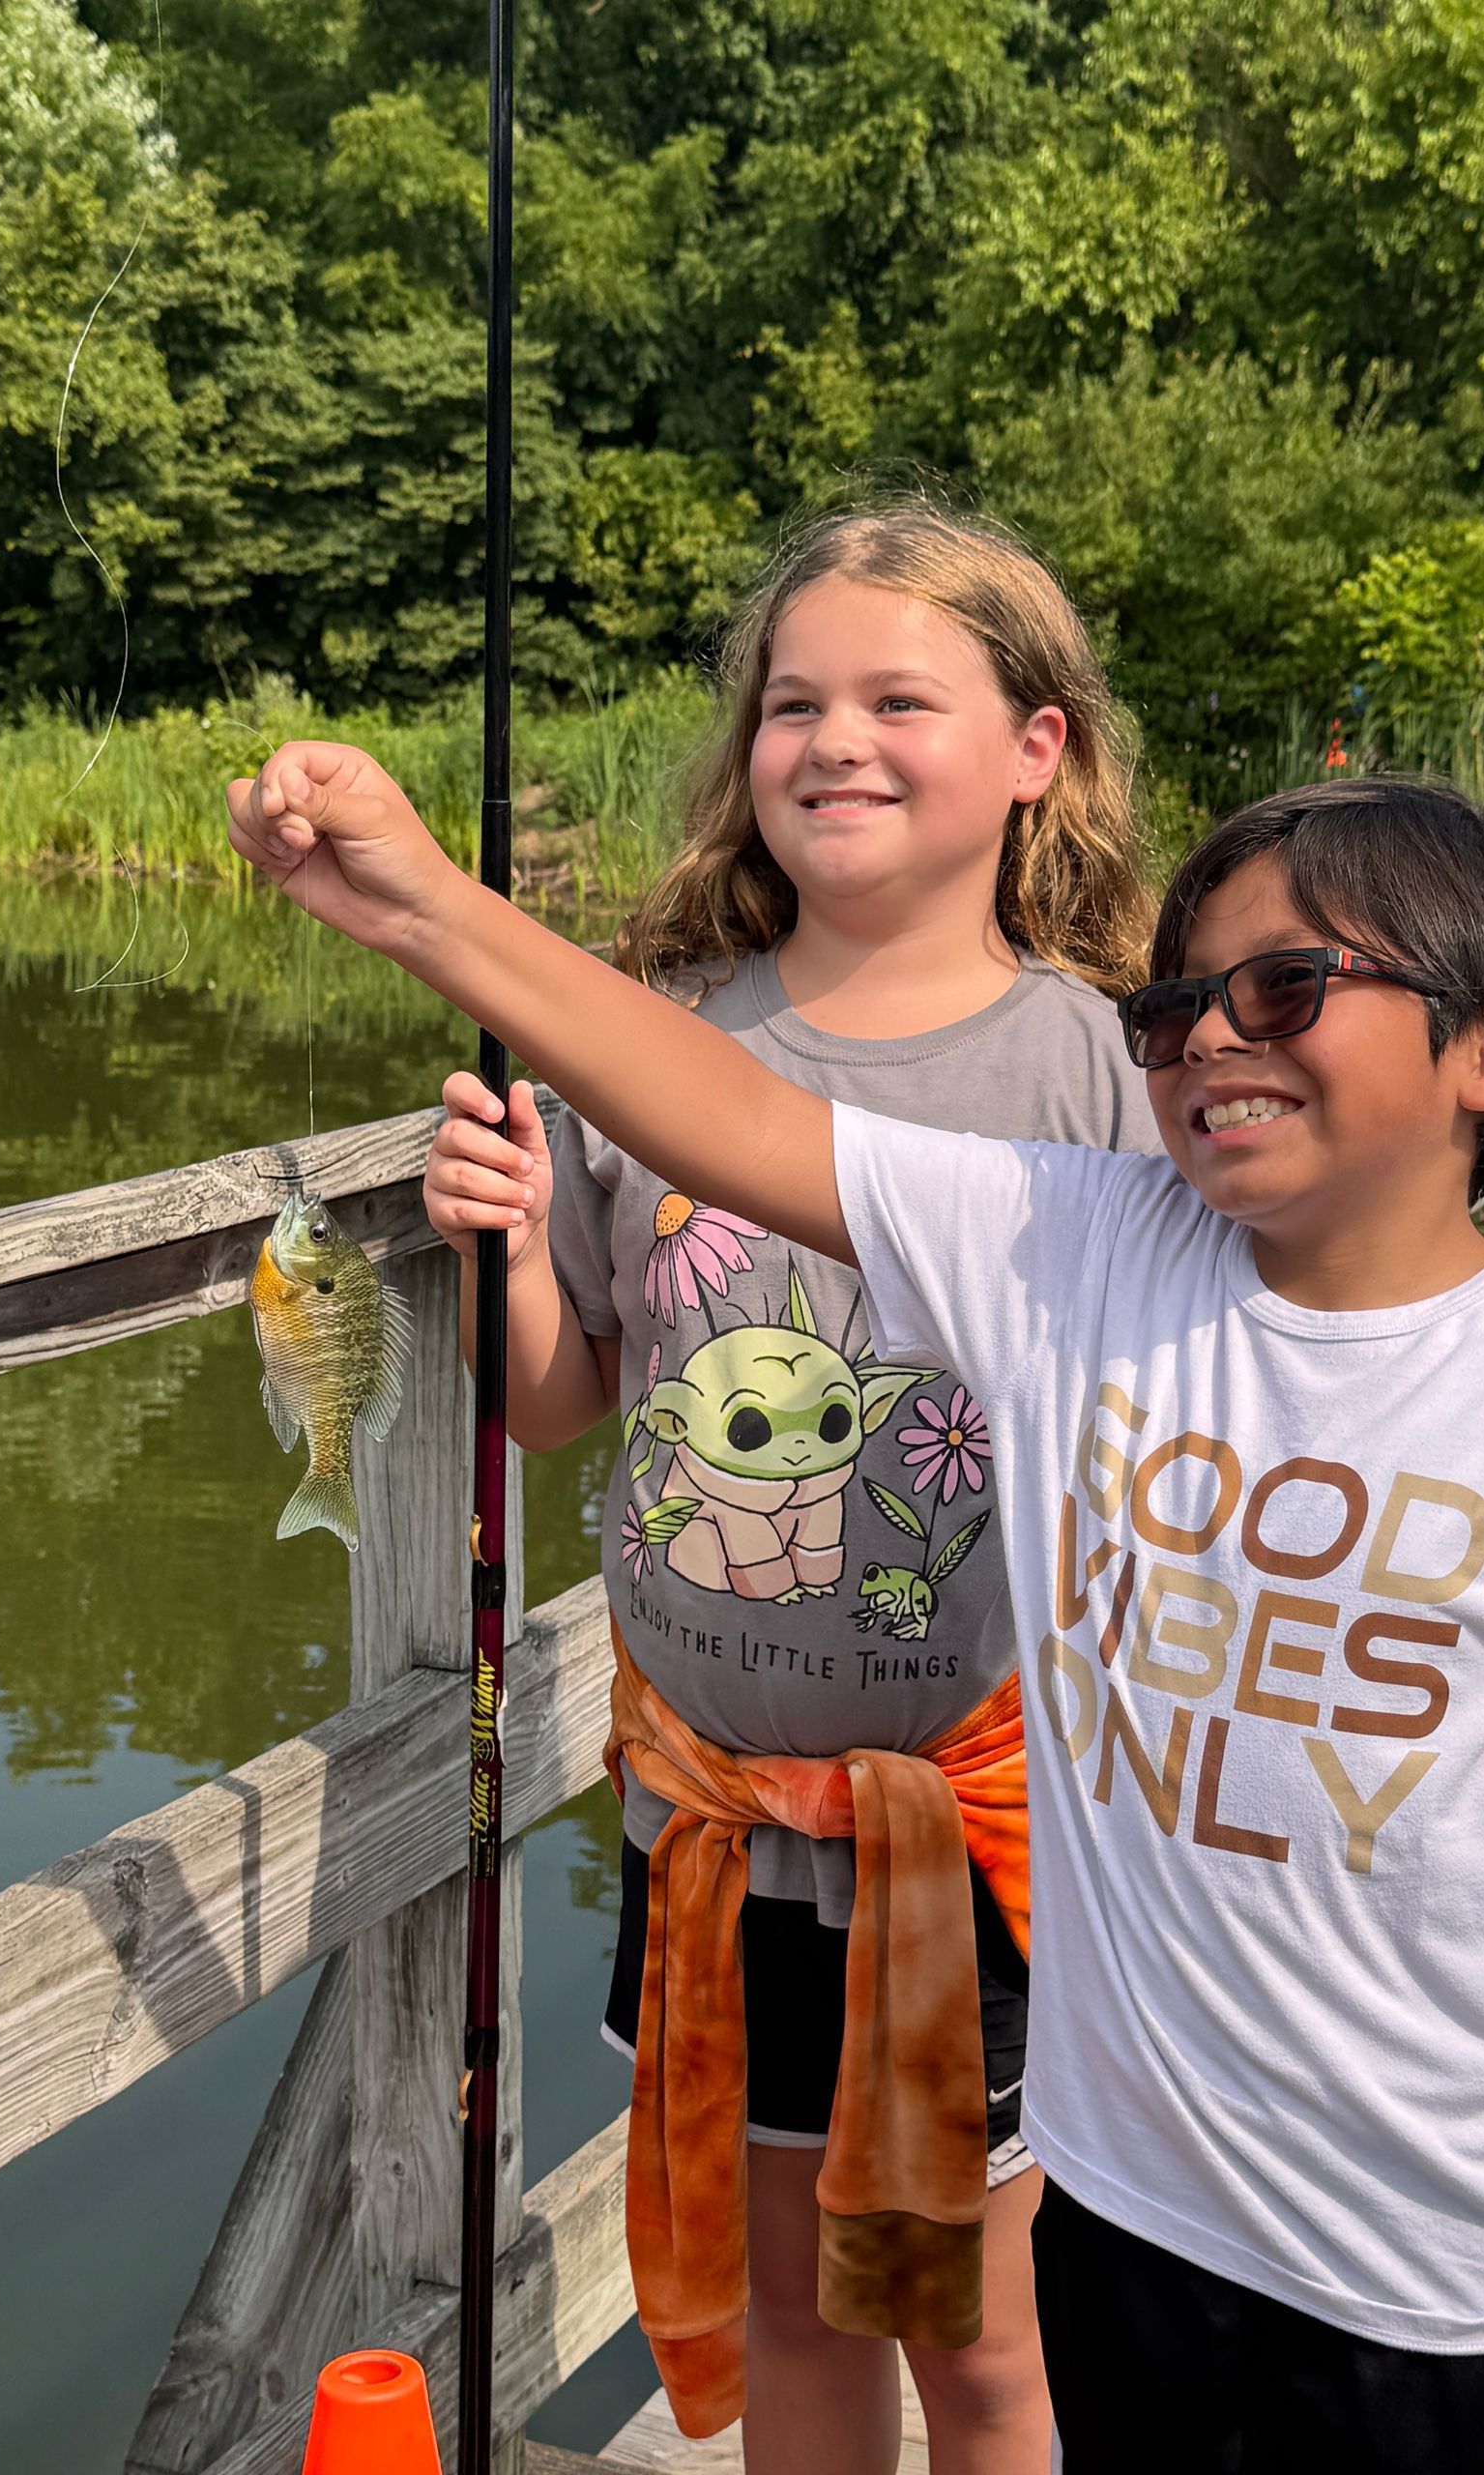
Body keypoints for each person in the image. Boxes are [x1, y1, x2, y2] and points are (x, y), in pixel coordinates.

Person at [228, 743, 1484, 2474]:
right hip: (1131, 2228)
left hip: (1458, 2290)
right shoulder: (1080, 1252)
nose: (1209, 1043)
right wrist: (422, 905)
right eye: (1174, 1010)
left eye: (1283, 987)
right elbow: (727, 1112)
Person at [414, 504, 1161, 2472]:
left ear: (1038, 747)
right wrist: (503, 1249)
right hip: (709, 1827)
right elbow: (565, 1402)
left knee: (980, 2340)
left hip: (988, 1842)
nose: (833, 736)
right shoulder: (640, 1048)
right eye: (794, 699)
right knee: (790, 2323)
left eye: (900, 696)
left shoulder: (1108, 1075)